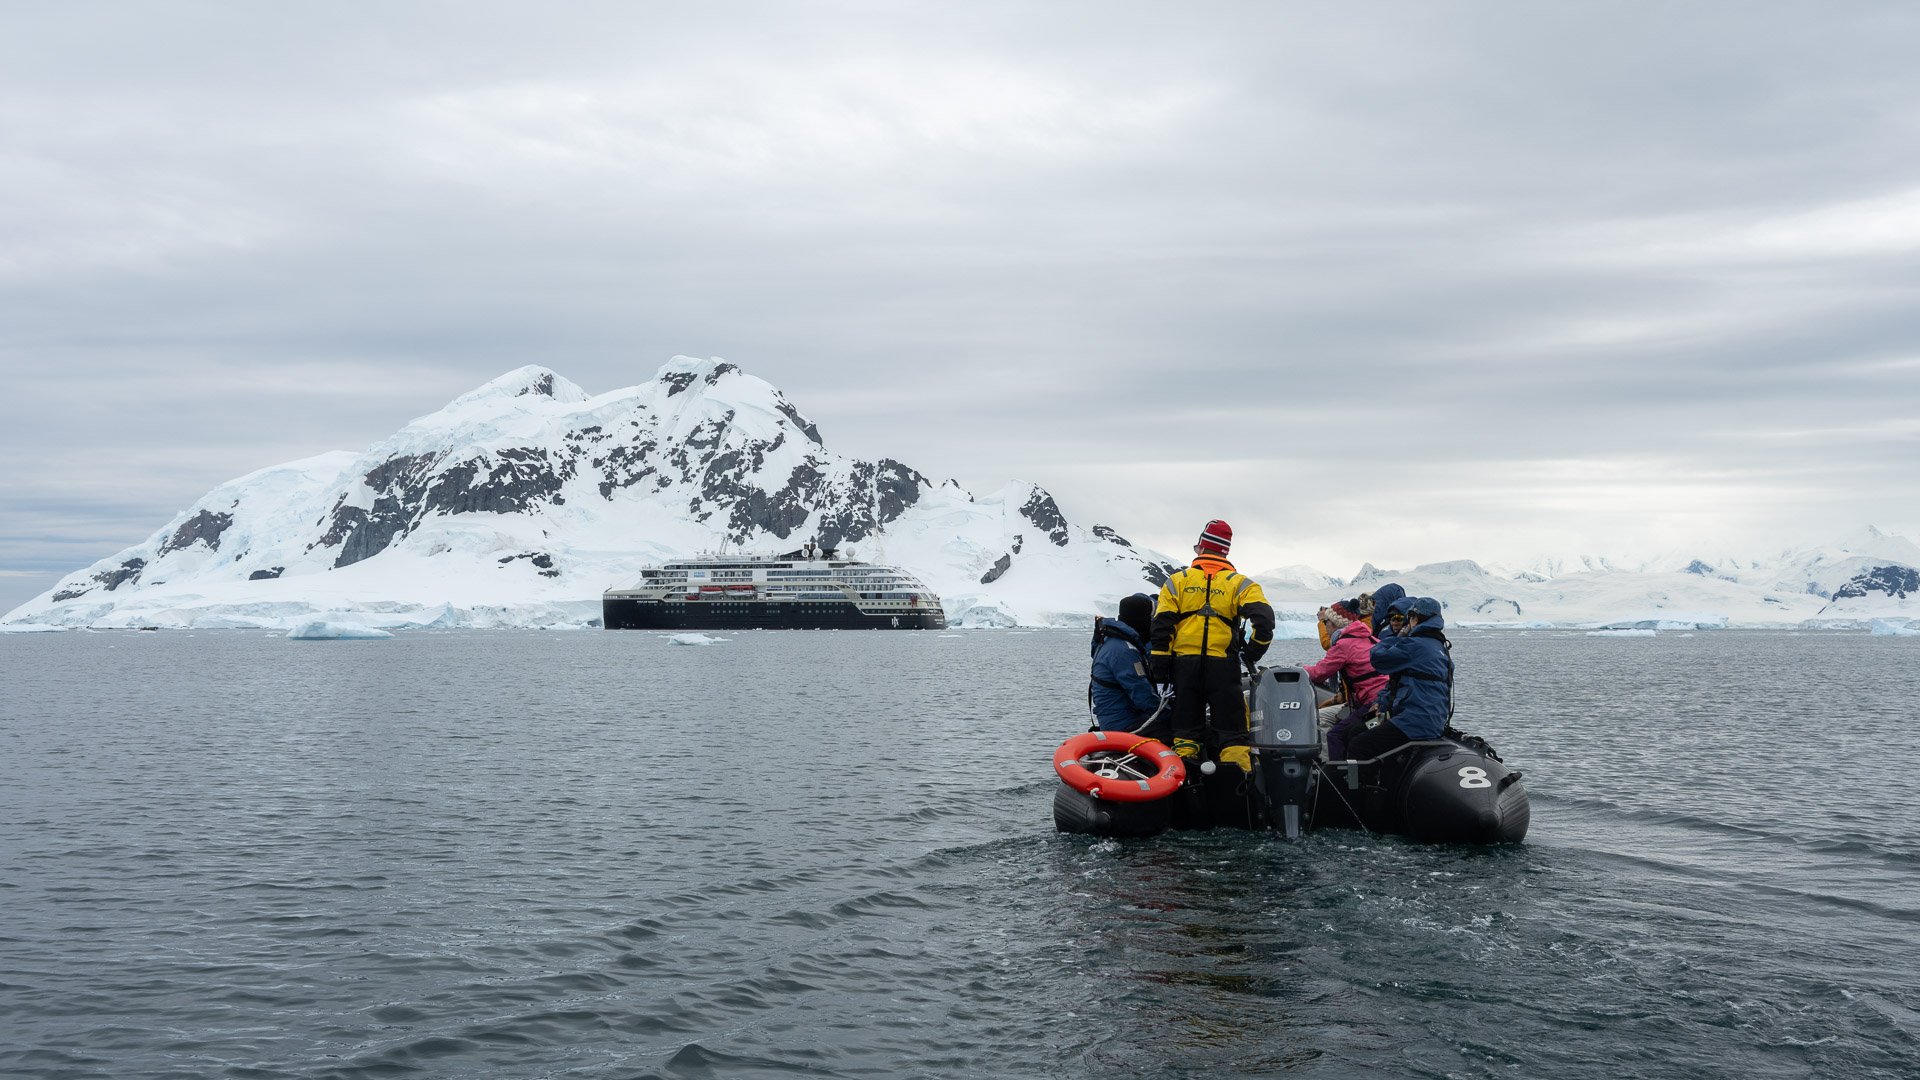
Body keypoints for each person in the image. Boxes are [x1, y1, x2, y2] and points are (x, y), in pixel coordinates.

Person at [1148, 520, 1276, 772]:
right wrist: (1253, 651)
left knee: (1186, 734)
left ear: (1201, 547)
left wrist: (1160, 671)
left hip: (1185, 669)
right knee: (1233, 734)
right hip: (1223, 669)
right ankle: (1240, 787)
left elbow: (1161, 629)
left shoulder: (1176, 582)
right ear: (1225, 551)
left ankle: (1185, 783)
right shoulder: (1241, 584)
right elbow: (1264, 620)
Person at [1346, 596, 1453, 760]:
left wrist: (1400, 637)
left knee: (1359, 744)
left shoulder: (1414, 645)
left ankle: (1363, 777)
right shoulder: (1440, 648)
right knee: (1357, 730)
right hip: (1429, 721)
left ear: (1416, 619)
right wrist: (1381, 703)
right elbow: (1398, 684)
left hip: (1412, 723)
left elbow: (1377, 657)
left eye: (1410, 617)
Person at [1088, 593, 1166, 735]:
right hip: (1124, 724)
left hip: (1116, 720)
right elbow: (1142, 694)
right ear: (1142, 620)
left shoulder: (1112, 641)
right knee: (1191, 732)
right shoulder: (1124, 651)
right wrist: (1171, 715)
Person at [1305, 600, 1387, 734]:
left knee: (1335, 734)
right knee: (1358, 731)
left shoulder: (1343, 645)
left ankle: (1339, 749)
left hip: (1371, 704)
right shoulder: (1371, 639)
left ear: (1335, 624)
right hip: (1383, 701)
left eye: (1326, 622)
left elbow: (1319, 673)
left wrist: (1300, 670)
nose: (1325, 626)